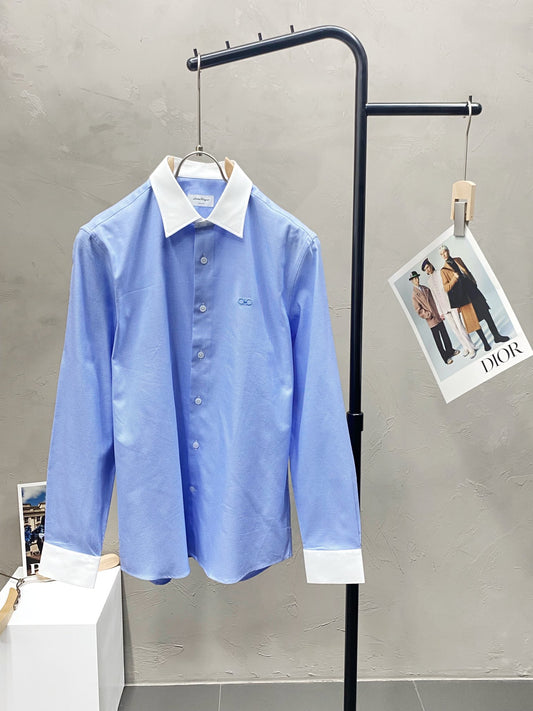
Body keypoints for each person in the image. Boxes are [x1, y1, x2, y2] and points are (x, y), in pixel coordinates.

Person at [439, 245, 509, 352]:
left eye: (445, 252)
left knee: (486, 313)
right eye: (441, 254)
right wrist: (454, 278)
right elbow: (446, 288)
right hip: (463, 297)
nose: (444, 255)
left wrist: (473, 282)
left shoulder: (458, 259)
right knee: (474, 320)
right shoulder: (443, 270)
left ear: (448, 251)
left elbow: (467, 271)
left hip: (472, 291)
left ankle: (497, 336)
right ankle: (485, 343)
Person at [421, 258, 476, 358]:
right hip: (443, 308)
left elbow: (450, 288)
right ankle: (465, 347)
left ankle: (471, 347)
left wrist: (456, 303)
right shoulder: (429, 281)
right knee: (454, 329)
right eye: (425, 269)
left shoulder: (440, 272)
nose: (428, 269)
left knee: (460, 326)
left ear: (431, 265)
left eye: (428, 267)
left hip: (452, 303)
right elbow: (435, 297)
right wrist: (440, 312)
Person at [409, 270, 459, 364]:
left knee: (445, 334)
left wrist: (439, 311)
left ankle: (450, 350)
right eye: (414, 279)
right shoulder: (414, 295)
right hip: (431, 319)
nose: (417, 280)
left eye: (417, 277)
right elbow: (419, 310)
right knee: (438, 340)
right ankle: (445, 358)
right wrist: (428, 314)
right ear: (412, 281)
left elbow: (435, 299)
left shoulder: (425, 288)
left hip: (438, 315)